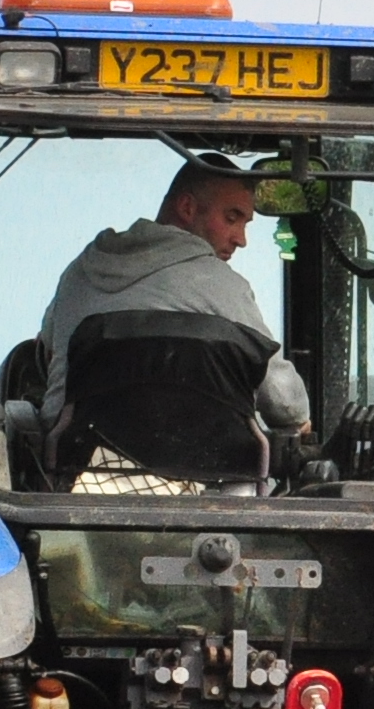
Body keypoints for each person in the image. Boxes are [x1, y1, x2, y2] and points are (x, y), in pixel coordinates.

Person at [31, 157, 313, 482]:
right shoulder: (223, 286)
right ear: (187, 207)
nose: (241, 238)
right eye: (232, 218)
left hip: (75, 477)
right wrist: (298, 421)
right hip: (204, 484)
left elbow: (49, 350)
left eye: (244, 224)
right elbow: (284, 402)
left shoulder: (80, 272)